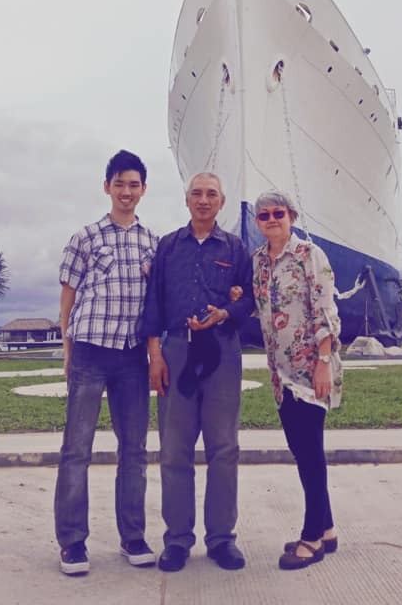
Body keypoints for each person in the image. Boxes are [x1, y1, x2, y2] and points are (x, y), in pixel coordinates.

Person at [143, 172, 254, 573]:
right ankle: (176, 540)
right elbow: (152, 304)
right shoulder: (169, 247)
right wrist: (155, 355)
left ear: (222, 202)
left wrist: (228, 311)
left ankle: (222, 539)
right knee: (174, 450)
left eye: (211, 194)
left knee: (224, 448)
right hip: (176, 350)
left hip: (222, 351)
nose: (203, 200)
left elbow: (251, 298)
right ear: (186, 200)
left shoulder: (236, 248)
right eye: (196, 194)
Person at [54, 149, 158, 576]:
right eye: (120, 184)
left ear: (144, 190)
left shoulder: (154, 243)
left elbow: (156, 302)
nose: (127, 192)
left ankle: (133, 536)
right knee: (76, 449)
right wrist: (67, 348)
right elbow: (68, 296)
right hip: (90, 351)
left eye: (134, 185)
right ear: (107, 187)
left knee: (133, 450)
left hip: (132, 356)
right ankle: (72, 544)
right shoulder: (85, 237)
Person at [251, 191, 343, 570]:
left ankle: (311, 539)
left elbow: (325, 309)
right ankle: (328, 528)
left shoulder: (309, 255)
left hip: (310, 369)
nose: (271, 219)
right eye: (264, 215)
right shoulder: (257, 261)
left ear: (291, 216)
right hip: (280, 373)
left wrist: (323, 362)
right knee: (300, 450)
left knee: (310, 452)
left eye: (278, 213)